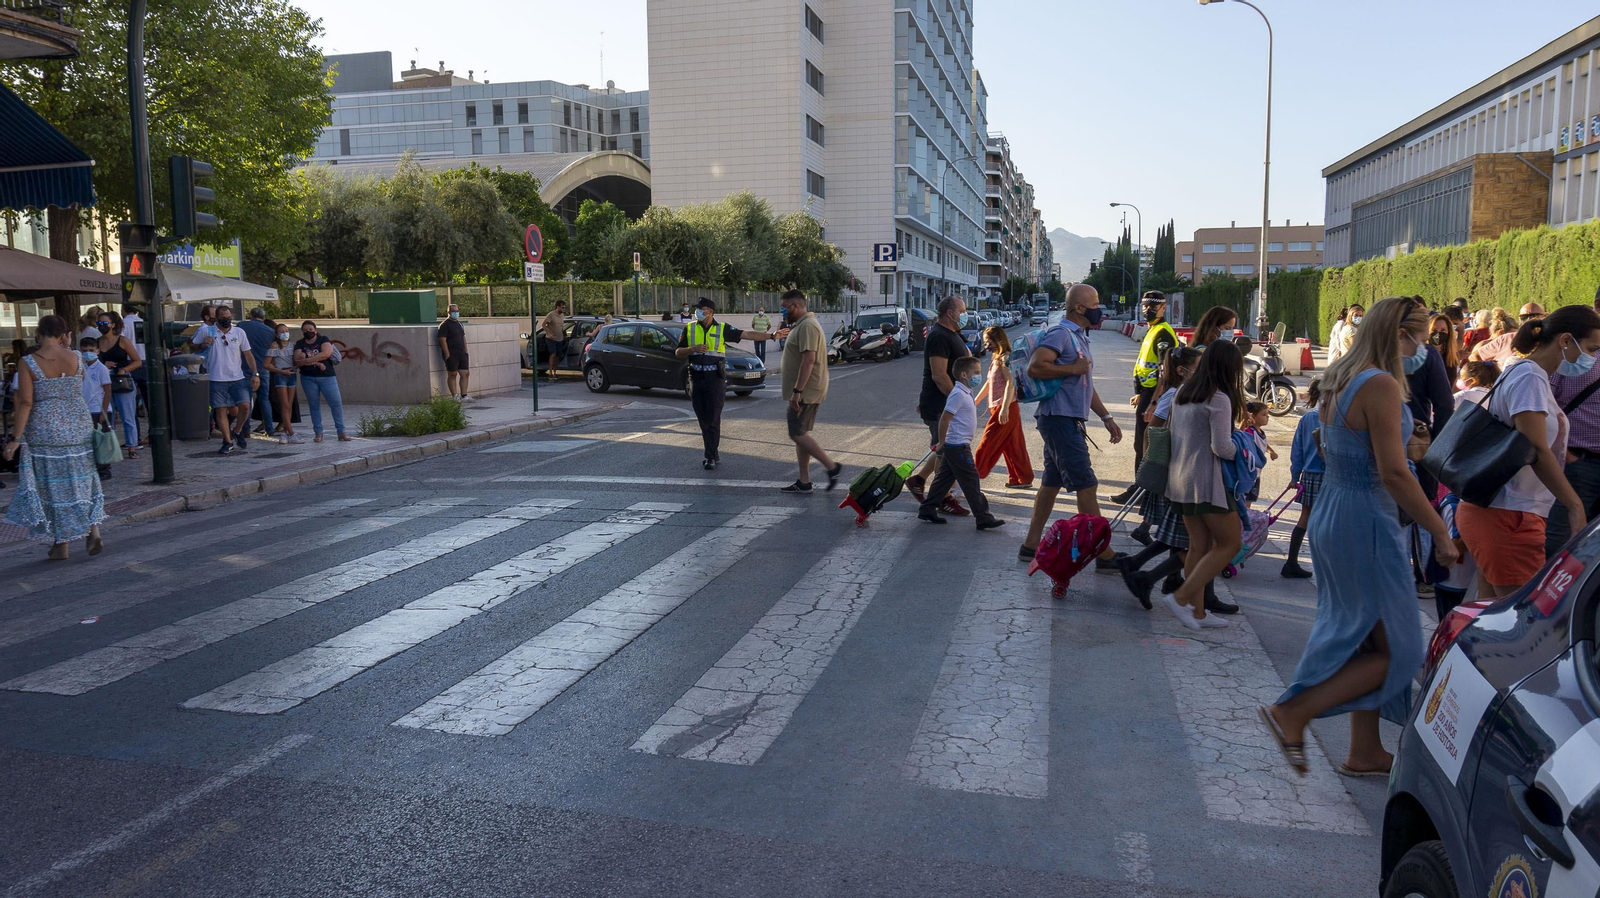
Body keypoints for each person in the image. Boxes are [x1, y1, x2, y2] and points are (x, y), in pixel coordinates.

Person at [1262, 296, 1456, 779]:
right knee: (1403, 650)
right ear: (1398, 334)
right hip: (1367, 518)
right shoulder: (1382, 384)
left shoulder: (1341, 378)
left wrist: (1403, 447)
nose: (1425, 348)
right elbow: (1393, 472)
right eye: (1422, 337)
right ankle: (1294, 712)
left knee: (1369, 640)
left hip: (1336, 510)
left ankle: (1364, 750)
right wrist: (1440, 530)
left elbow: (1333, 445)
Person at [1457, 305, 1598, 597]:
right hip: (1508, 515)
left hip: (1502, 512)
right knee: (1521, 622)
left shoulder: (1525, 371)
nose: (1594, 358)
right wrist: (1574, 505)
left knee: (1491, 616)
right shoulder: (1530, 377)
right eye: (1592, 348)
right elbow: (1535, 449)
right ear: (1566, 340)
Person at [1018, 283, 1123, 570]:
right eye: (1095, 302)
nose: (1099, 308)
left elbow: (1085, 384)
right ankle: (1105, 553)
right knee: (1086, 484)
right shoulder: (1061, 333)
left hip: (1064, 419)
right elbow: (1036, 367)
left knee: (1051, 484)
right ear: (1079, 308)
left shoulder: (1079, 337)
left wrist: (1106, 417)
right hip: (1059, 420)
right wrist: (1072, 369)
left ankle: (1030, 545)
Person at [1159, 340, 1246, 630]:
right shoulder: (1218, 398)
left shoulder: (1184, 391)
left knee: (1198, 546)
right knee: (1230, 543)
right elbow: (1222, 447)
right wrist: (1246, 454)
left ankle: (1197, 613)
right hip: (1208, 483)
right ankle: (1181, 598)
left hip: (1180, 479)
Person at [3, 315, 106, 560]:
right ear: (64, 335)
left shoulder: (28, 362)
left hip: (45, 429)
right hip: (78, 425)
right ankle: (93, 530)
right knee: (82, 479)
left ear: (38, 334)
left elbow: (26, 401)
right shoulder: (77, 357)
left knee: (51, 485)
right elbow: (75, 388)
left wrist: (16, 437)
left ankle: (61, 543)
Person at [673, 297, 778, 469]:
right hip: (697, 378)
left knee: (713, 417)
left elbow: (747, 334)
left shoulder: (722, 328)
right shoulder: (689, 328)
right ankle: (712, 452)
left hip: (715, 379)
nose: (698, 311)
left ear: (711, 312)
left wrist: (772, 336)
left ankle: (710, 456)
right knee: (703, 418)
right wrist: (692, 349)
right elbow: (678, 352)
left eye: (702, 308)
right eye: (697, 309)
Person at [919, 356, 1004, 530]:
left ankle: (927, 509)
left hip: (958, 445)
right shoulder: (958, 394)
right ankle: (983, 516)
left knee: (943, 480)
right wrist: (942, 441)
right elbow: (944, 418)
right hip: (957, 446)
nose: (978, 376)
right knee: (971, 480)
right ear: (964, 375)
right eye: (977, 373)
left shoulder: (965, 392)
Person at [906, 296, 971, 516]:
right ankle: (942, 498)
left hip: (945, 402)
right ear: (950, 313)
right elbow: (939, 375)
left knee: (945, 448)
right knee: (947, 451)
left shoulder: (952, 334)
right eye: (962, 311)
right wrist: (958, 401)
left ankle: (919, 479)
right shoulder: (938, 337)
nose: (965, 314)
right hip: (941, 405)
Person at [1113, 291, 1178, 505]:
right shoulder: (1152, 330)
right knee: (1139, 443)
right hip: (1147, 394)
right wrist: (1140, 393)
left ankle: (1142, 490)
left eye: (1152, 307)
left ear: (1163, 308)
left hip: (1155, 396)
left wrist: (1154, 403)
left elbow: (1164, 372)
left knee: (1144, 444)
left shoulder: (1163, 334)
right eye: (1145, 306)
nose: (1147, 310)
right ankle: (1141, 487)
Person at [775, 289, 840, 492]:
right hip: (805, 391)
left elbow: (809, 359)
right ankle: (804, 481)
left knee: (796, 433)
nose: (783, 311)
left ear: (796, 305)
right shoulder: (802, 325)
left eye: (785, 307)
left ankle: (832, 467)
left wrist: (797, 391)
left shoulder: (808, 326)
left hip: (806, 392)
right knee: (800, 432)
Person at [1549, 318, 1600, 556]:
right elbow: (1545, 409)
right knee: (1562, 544)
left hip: (1580, 464)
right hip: (1579, 464)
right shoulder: (1577, 359)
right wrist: (1568, 457)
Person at [193, 307, 261, 455]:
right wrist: (203, 344)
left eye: (229, 317)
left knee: (244, 406)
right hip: (216, 378)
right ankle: (228, 440)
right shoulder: (208, 331)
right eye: (223, 317)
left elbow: (248, 354)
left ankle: (237, 430)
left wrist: (255, 373)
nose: (227, 320)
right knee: (220, 409)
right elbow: (191, 346)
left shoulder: (238, 332)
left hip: (237, 377)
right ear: (216, 318)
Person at [972, 326, 1033, 488]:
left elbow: (1010, 384)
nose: (986, 346)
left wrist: (1005, 407)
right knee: (1013, 445)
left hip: (1005, 407)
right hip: (1001, 407)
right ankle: (1021, 478)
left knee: (987, 443)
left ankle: (972, 475)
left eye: (988, 342)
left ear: (997, 340)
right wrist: (976, 401)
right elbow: (989, 383)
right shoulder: (996, 358)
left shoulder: (1005, 358)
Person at [1282, 379, 1325, 578]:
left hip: (1309, 475)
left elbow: (1297, 450)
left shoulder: (1307, 419)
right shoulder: (1332, 418)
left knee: (1305, 517)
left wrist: (1294, 476)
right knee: (1329, 521)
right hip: (1329, 475)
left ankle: (1291, 562)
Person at [92, 310, 143, 459]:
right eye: (99, 323)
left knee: (127, 415)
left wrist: (124, 369)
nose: (101, 326)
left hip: (122, 380)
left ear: (113, 325)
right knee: (109, 415)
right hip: (104, 381)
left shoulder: (122, 340)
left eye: (104, 323)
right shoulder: (97, 342)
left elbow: (137, 361)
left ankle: (132, 446)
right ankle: (110, 444)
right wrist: (102, 364)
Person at [294, 320, 350, 443]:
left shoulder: (323, 339)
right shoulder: (299, 343)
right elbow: (297, 359)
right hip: (308, 377)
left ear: (315, 329)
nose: (308, 332)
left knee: (336, 403)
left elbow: (326, 353)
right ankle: (318, 433)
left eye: (310, 329)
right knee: (314, 405)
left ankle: (341, 432)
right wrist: (316, 362)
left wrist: (307, 360)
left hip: (327, 377)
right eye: (305, 330)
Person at [79, 337, 113, 479]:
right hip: (86, 410)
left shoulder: (101, 369)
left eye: (91, 350)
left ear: (97, 351)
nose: (88, 353)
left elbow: (107, 391)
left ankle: (104, 470)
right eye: (85, 351)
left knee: (101, 442)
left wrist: (103, 412)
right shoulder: (82, 368)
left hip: (98, 409)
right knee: (90, 441)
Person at [265, 324, 304, 444]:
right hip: (281, 375)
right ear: (277, 335)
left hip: (291, 374)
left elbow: (296, 360)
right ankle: (291, 432)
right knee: (285, 404)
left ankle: (286, 432)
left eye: (287, 331)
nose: (285, 333)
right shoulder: (275, 346)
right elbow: (266, 364)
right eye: (282, 331)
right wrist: (280, 371)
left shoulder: (293, 346)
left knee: (290, 405)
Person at [120, 302, 148, 426]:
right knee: (149, 400)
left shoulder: (122, 324)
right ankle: (152, 432)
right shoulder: (144, 323)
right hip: (146, 361)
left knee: (130, 403)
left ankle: (134, 434)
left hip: (129, 363)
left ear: (123, 309)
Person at [439, 302, 472, 399]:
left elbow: (463, 337)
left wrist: (465, 350)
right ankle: (454, 396)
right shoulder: (444, 325)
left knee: (465, 373)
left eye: (457, 311)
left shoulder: (460, 324)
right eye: (453, 311)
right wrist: (447, 354)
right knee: (452, 374)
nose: (456, 313)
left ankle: (464, 395)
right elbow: (442, 339)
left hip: (461, 353)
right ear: (448, 312)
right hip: (452, 353)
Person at [1427, 313, 1462, 385]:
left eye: (1443, 330)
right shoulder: (1422, 354)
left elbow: (1453, 384)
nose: (1438, 333)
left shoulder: (1451, 355)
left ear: (1449, 332)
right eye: (1434, 330)